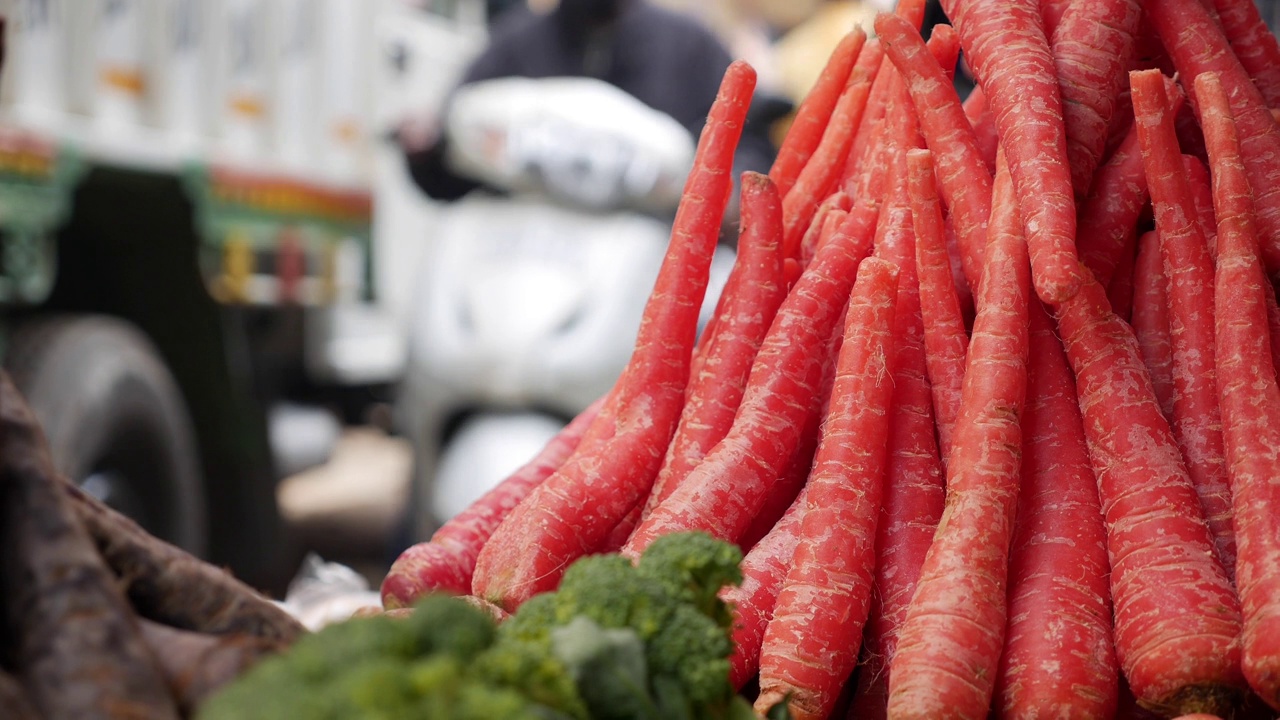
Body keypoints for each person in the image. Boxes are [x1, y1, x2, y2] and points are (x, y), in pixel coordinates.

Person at [400, 0, 781, 207]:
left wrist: (733, 186)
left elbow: (748, 138)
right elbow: (456, 159)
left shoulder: (687, 45)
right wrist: (426, 153)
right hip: (524, 258)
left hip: (653, 259)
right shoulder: (513, 46)